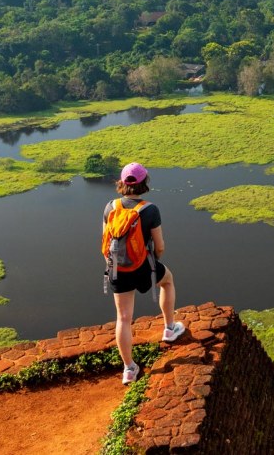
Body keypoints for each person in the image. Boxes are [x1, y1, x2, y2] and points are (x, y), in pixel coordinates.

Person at [104, 162, 186, 384]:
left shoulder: (110, 207)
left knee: (123, 317)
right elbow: (159, 246)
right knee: (167, 281)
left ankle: (129, 369)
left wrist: (115, 265)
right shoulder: (149, 209)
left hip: (116, 269)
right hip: (142, 267)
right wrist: (152, 263)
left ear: (121, 183)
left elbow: (106, 241)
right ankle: (169, 328)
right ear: (144, 183)